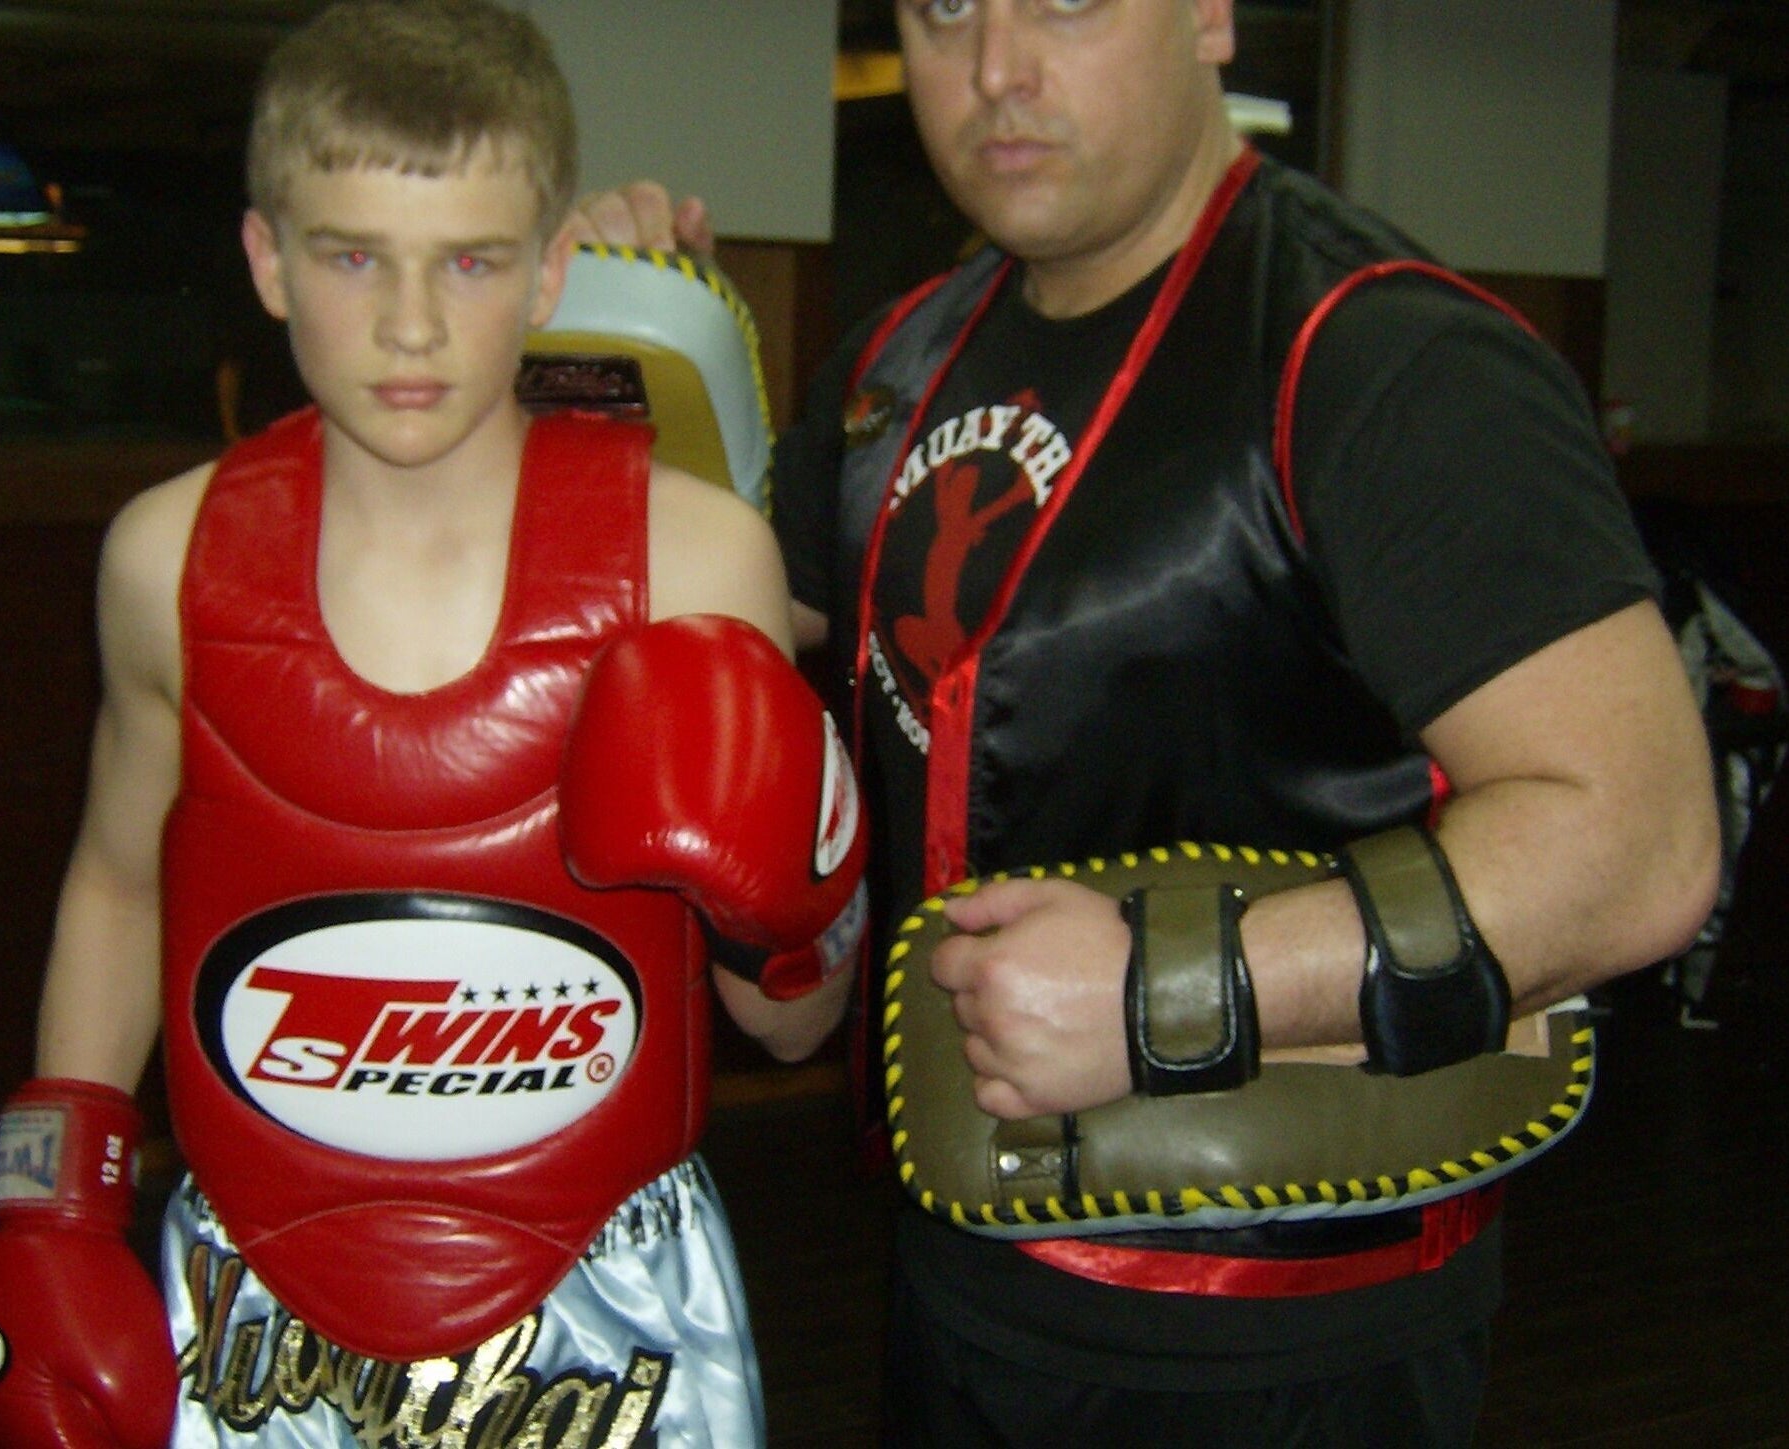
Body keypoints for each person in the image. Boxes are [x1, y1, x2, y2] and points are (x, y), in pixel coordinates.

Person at [574, 0, 1720, 1443]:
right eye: (942, 12)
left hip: (1278, 1320)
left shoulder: (1378, 355)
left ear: (1211, 16)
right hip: (958, 1262)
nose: (995, 69)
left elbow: (1640, 843)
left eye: (1063, 0)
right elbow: (749, 621)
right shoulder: (903, 359)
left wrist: (1160, 993)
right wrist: (636, 359)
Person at [0, 3, 864, 1445]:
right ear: (266, 258)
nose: (413, 325)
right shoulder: (163, 560)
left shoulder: (694, 566)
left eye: (474, 261)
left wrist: (797, 913)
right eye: (352, 253)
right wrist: (50, 1211)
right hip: (263, 1291)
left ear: (553, 267)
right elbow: (121, 883)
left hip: (605, 1298)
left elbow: (794, 1021)